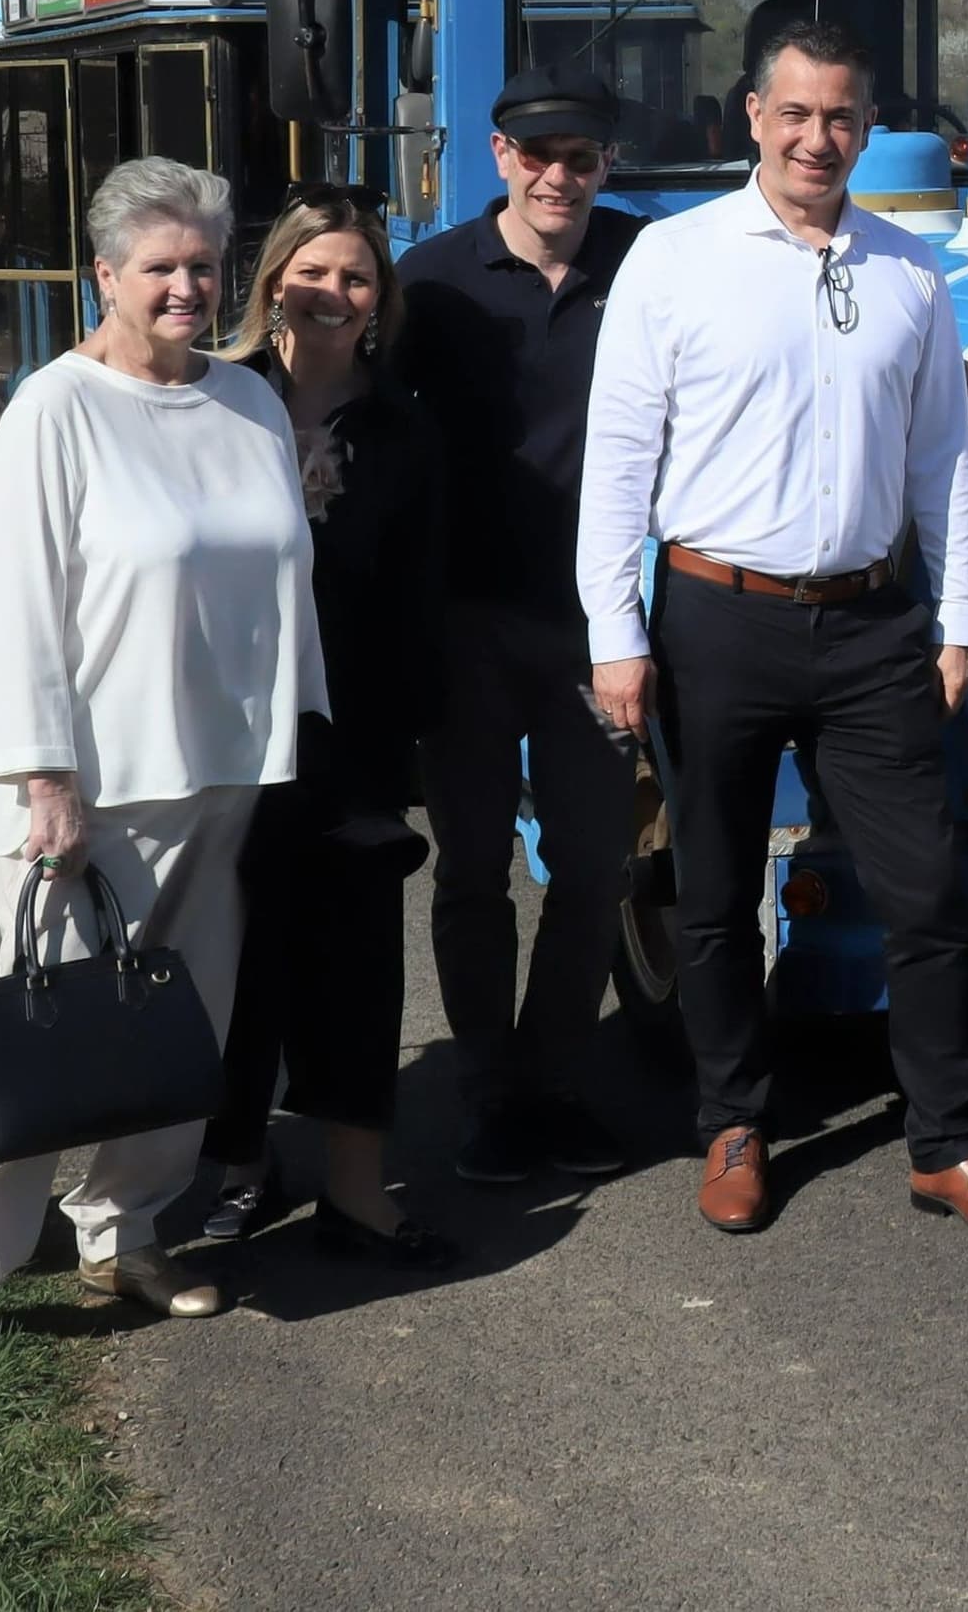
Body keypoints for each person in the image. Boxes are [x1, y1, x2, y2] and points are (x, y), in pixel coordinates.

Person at [582, 21, 968, 1242]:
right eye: (796, 113)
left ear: (867, 127)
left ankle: (945, 1147)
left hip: (871, 626)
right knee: (716, 895)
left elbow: (942, 457)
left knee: (926, 896)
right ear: (752, 115)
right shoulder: (675, 260)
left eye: (841, 117)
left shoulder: (909, 270)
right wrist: (613, 635)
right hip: (713, 621)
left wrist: (959, 622)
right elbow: (618, 462)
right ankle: (735, 1123)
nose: (818, 137)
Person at [0, 159, 322, 1400]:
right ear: (105, 278)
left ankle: (123, 1234)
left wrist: (294, 724)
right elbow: (16, 608)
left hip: (226, 770)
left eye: (204, 265)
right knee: (44, 1038)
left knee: (178, 1032)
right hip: (88, 781)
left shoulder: (247, 402)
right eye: (160, 269)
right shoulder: (54, 409)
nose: (187, 287)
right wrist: (41, 779)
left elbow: (281, 576)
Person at [396, 70, 648, 1186]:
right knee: (473, 869)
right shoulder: (433, 283)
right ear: (499, 156)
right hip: (467, 629)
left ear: (605, 165)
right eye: (537, 154)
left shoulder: (647, 265)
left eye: (581, 157)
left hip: (598, 625)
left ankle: (554, 1078)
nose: (559, 176)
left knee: (596, 865)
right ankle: (488, 1088)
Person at [200, 189, 457, 1266]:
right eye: (313, 274)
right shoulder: (212, 404)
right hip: (219, 734)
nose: (333, 294)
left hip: (351, 740)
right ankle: (239, 1170)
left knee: (353, 963)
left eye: (356, 278)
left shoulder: (403, 428)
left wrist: (415, 743)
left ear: (379, 301)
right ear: (272, 285)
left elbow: (424, 595)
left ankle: (358, 1190)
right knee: (235, 958)